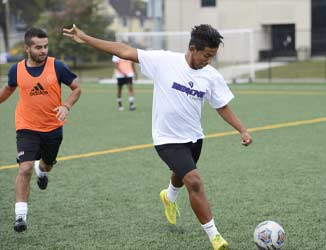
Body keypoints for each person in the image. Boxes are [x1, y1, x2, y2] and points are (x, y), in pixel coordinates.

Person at [63, 24, 252, 250]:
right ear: (193, 48)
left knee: (181, 173)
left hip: (193, 137)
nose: (209, 60)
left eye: (213, 56)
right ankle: (215, 237)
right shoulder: (164, 61)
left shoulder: (211, 76)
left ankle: (169, 197)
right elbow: (123, 51)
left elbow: (222, 106)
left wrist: (242, 129)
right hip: (166, 138)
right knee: (194, 181)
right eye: (207, 55)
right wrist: (86, 38)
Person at [0, 27, 81, 233]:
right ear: (27, 48)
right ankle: (20, 216)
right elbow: (8, 90)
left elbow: (77, 88)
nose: (43, 50)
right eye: (38, 47)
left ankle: (41, 170)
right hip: (26, 127)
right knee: (24, 167)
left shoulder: (57, 66)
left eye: (45, 46)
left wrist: (66, 106)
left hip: (53, 129)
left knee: (46, 166)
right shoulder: (15, 70)